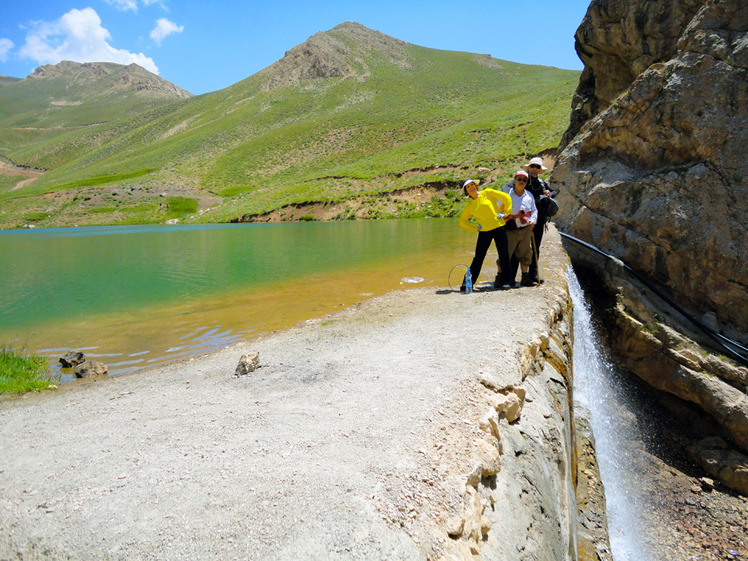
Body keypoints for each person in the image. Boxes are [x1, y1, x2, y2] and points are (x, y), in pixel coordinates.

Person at [503, 157, 559, 284]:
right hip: (520, 220)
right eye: (532, 166)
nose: (534, 169)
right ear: (529, 167)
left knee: (535, 247)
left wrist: (549, 194)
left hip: (538, 220)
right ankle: (511, 276)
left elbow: (554, 191)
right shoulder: (522, 179)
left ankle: (532, 275)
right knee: (518, 247)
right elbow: (505, 187)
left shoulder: (541, 183)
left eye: (537, 167)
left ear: (539, 170)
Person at [459, 179, 513, 290]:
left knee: (504, 255)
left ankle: (507, 282)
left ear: (476, 186)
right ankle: (467, 283)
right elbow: (463, 222)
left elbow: (506, 197)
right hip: (484, 231)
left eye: (472, 184)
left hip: (499, 227)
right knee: (478, 257)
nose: (471, 187)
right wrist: (475, 228)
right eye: (468, 186)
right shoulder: (470, 206)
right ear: (466, 191)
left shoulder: (487, 193)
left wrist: (506, 212)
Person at [500, 170, 538, 287]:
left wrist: (533, 220)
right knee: (506, 254)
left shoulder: (529, 196)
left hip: (525, 229)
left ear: (526, 182)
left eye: (524, 180)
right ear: (514, 180)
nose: (521, 182)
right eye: (519, 179)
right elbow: (499, 211)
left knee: (526, 253)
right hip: (510, 229)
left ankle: (525, 278)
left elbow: (534, 210)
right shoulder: (506, 196)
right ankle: (500, 278)